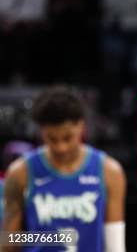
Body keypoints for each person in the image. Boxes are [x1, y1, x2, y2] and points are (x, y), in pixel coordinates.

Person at [1, 86, 126, 252]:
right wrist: (57, 237)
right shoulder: (20, 173)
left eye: (68, 138)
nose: (61, 147)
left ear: (81, 126)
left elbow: (115, 246)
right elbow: (8, 240)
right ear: (41, 131)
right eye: (52, 139)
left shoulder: (109, 172)